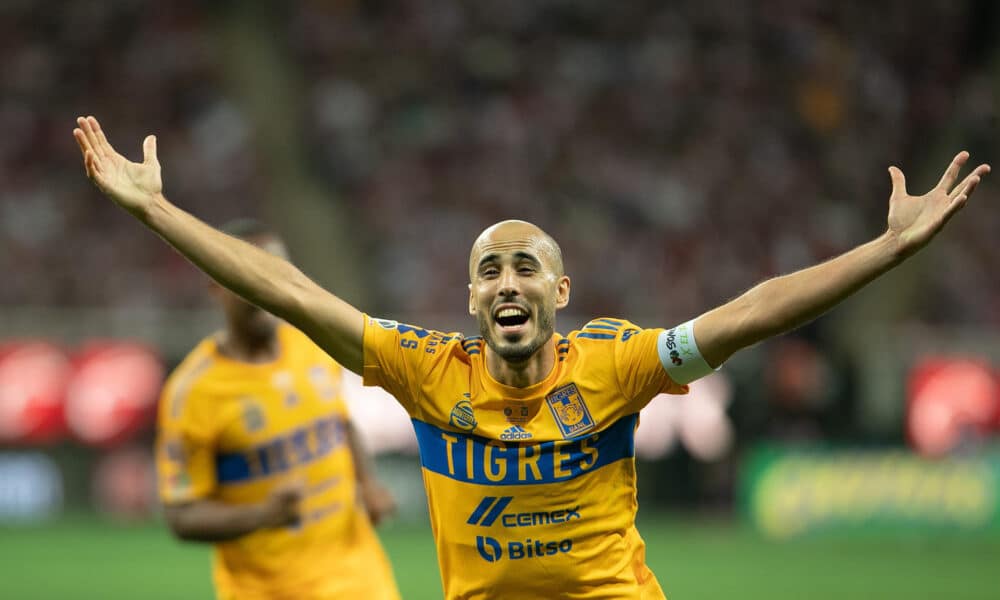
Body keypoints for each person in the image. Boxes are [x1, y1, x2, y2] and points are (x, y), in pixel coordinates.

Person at [74, 115, 989, 599]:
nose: (507, 281)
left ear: (560, 291)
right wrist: (157, 212)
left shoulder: (620, 363)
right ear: (473, 300)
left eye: (526, 267)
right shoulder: (426, 369)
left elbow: (749, 314)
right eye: (488, 271)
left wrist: (888, 251)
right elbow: (294, 294)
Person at [153, 217, 401, 600]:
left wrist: (368, 485)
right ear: (216, 284)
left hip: (361, 581)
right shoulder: (193, 393)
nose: (264, 288)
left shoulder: (314, 344)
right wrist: (262, 516)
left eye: (274, 272)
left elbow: (340, 423)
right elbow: (182, 516)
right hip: (268, 591)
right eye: (248, 274)